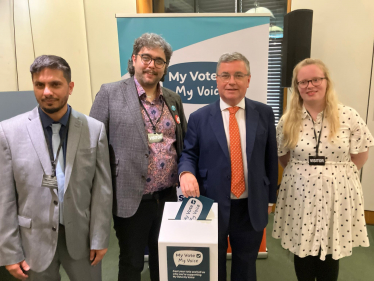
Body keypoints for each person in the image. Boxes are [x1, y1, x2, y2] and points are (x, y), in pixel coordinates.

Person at [0, 55, 112, 281]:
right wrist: (9, 252)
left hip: (82, 239)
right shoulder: (8, 132)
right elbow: (5, 198)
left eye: (55, 84)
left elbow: (102, 190)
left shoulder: (94, 129)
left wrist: (100, 237)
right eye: (39, 85)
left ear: (70, 87)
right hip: (33, 241)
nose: (47, 92)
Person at [90, 33, 187, 281]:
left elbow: (182, 142)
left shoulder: (173, 99)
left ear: (165, 67)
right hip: (131, 197)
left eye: (159, 60)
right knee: (132, 261)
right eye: (146, 57)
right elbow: (93, 147)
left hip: (167, 198)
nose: (152, 65)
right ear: (134, 59)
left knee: (163, 258)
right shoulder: (109, 94)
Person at [178, 52, 278, 281]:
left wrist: (270, 198)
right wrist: (185, 173)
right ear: (216, 79)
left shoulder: (264, 113)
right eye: (225, 75)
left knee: (246, 264)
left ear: (248, 80)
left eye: (238, 75)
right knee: (213, 264)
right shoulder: (199, 117)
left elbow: (270, 158)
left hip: (250, 204)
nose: (231, 81)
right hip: (211, 204)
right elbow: (188, 154)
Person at [272, 58, 373, 281]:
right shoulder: (287, 120)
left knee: (329, 250)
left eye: (316, 79)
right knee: (302, 247)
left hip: (336, 192)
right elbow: (283, 157)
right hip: (299, 192)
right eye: (303, 81)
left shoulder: (348, 115)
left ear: (327, 81)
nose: (310, 85)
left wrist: (332, 176)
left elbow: (360, 154)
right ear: (296, 86)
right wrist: (307, 176)